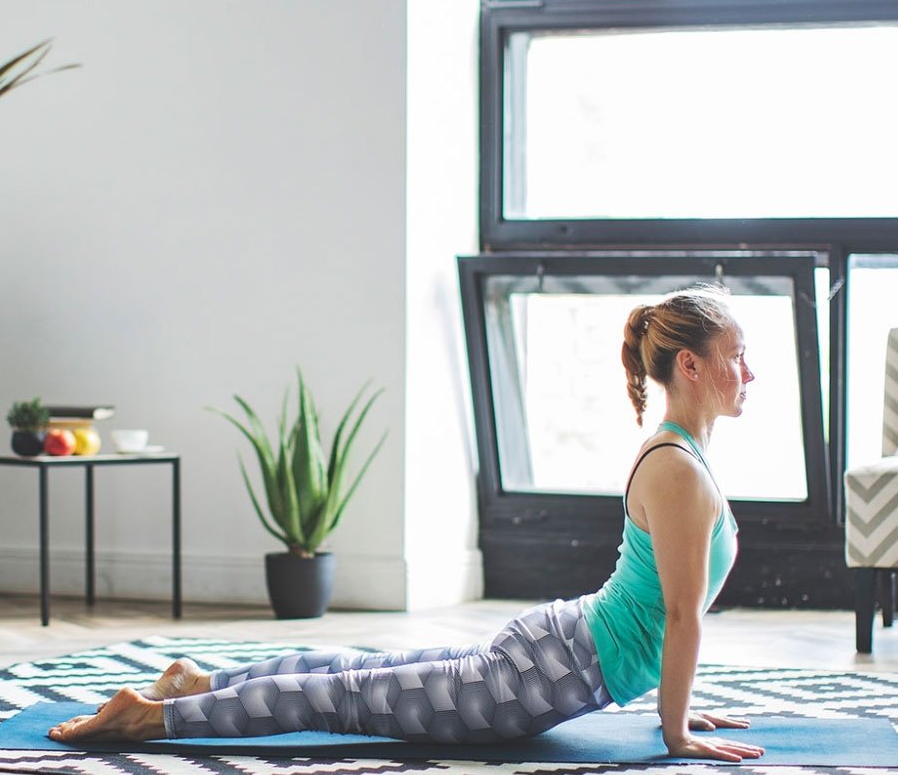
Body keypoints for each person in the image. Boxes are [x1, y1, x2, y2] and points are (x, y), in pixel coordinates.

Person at [49, 285, 763, 763]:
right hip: (548, 674)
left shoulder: (679, 455)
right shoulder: (678, 468)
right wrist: (674, 732)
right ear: (692, 365)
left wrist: (680, 708)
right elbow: (679, 614)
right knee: (349, 699)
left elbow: (666, 610)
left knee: (358, 677)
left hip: (559, 655)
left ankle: (196, 682)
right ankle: (150, 717)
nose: (749, 374)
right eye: (739, 357)